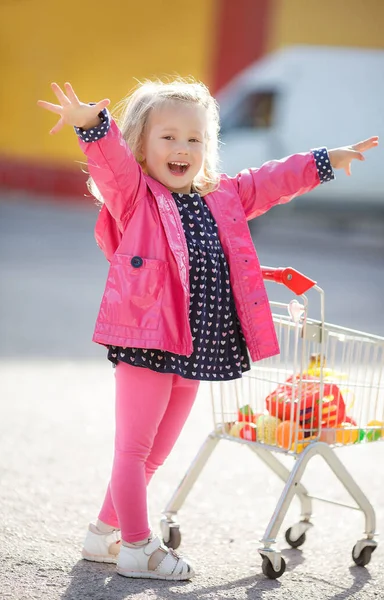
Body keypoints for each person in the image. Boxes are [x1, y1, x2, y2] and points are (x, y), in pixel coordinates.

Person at [37, 79, 378, 580]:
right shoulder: (136, 197)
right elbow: (110, 166)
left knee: (157, 453)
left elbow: (271, 180)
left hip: (198, 345)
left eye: (194, 140)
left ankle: (102, 533)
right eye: (168, 137)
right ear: (141, 146)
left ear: (207, 148)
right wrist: (93, 127)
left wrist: (323, 161)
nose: (182, 149)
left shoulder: (224, 197)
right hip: (146, 340)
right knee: (133, 450)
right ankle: (136, 546)